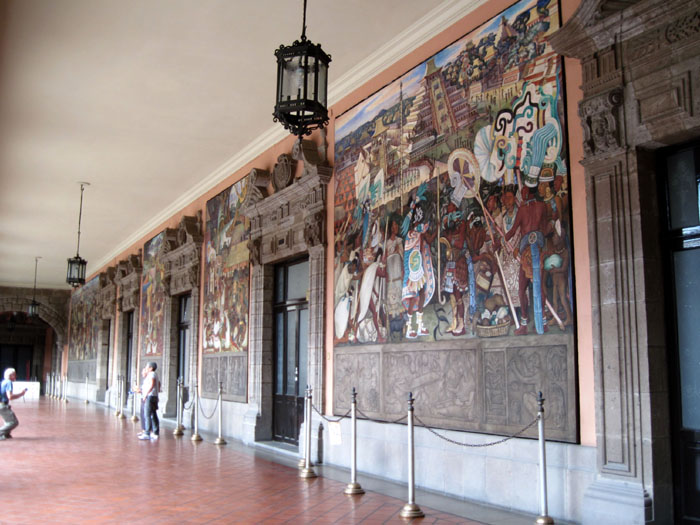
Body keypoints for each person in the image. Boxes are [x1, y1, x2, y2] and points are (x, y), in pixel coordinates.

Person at [1, 368, 28, 440]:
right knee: (13, 422)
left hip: (2, 404)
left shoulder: (4, 382)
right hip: (3, 405)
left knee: (8, 421)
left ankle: (5, 434)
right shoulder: (9, 382)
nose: (15, 376)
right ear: (10, 375)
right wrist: (21, 394)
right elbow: (10, 396)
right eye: (14, 375)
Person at [136, 362, 160, 440]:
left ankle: (147, 433)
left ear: (151, 368)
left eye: (147, 367)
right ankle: (155, 432)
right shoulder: (154, 374)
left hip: (150, 396)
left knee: (147, 415)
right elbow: (158, 384)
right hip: (153, 396)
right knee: (153, 414)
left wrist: (146, 394)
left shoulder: (152, 374)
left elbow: (152, 384)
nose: (146, 368)